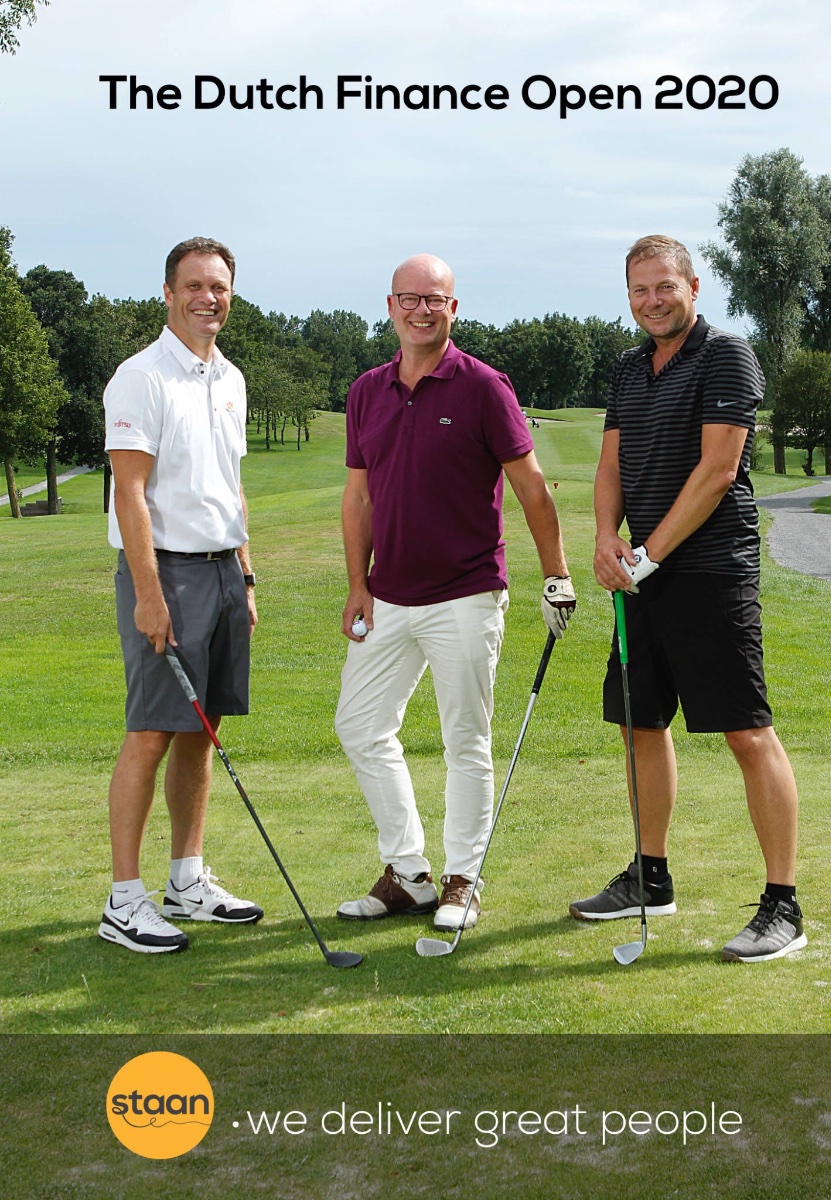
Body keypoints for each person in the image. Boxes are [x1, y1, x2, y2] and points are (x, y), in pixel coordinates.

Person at [569, 234, 806, 964]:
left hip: (709, 571)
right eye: (638, 290)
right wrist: (608, 536)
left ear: (693, 287)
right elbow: (610, 463)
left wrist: (648, 553)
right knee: (640, 724)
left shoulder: (727, 354)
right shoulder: (627, 368)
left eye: (663, 286)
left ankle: (783, 905)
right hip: (642, 571)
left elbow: (716, 470)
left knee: (744, 730)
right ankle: (650, 875)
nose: (651, 300)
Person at [335, 253, 575, 931]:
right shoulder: (366, 391)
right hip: (387, 597)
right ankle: (408, 874)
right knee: (359, 725)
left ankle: (462, 880)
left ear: (453, 308)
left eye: (434, 300)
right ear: (390, 306)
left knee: (464, 738)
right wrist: (358, 583)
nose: (421, 310)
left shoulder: (483, 386)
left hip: (466, 594)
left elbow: (531, 489)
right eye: (409, 299)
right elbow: (359, 497)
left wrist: (555, 574)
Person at [98, 236, 263, 954]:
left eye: (219, 287)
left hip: (224, 572)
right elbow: (129, 492)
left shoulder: (230, 376)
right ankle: (123, 900)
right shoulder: (141, 378)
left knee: (202, 730)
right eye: (194, 286)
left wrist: (247, 576)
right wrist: (148, 593)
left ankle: (186, 880)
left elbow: (231, 487)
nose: (208, 298)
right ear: (168, 293)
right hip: (166, 573)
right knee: (152, 731)